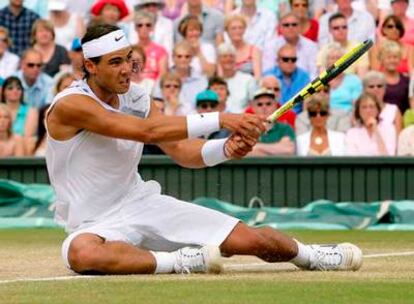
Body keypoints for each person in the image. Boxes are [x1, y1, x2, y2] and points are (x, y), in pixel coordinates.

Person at [46, 23, 362, 275]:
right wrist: (223, 118)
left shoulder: (138, 97)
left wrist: (226, 147)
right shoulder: (71, 105)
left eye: (128, 59)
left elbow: (182, 151)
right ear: (90, 66)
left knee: (251, 240)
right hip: (92, 224)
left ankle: (311, 255)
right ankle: (180, 261)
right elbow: (148, 131)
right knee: (82, 254)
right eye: (115, 62)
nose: (127, 69)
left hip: (141, 204)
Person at [247, 88, 296, 156]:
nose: (264, 107)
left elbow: (288, 150)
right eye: (259, 104)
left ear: (275, 106)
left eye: (268, 104)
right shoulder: (246, 129)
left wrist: (257, 147)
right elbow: (244, 152)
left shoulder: (285, 128)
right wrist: (277, 148)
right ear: (253, 108)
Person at [263, 43, 310, 113]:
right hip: (275, 116)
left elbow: (307, 103)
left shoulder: (304, 77)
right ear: (277, 60)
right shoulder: (268, 76)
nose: (290, 62)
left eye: (293, 59)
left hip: (297, 118)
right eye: (285, 59)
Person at [1, 76, 38, 154]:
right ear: (3, 91)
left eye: (18, 88)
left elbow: (28, 136)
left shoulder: (31, 111)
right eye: (10, 88)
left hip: (22, 147)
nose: (15, 91)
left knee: (29, 141)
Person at [216, 42, 257, 113]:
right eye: (224, 56)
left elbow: (255, 104)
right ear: (219, 60)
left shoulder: (248, 79)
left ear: (236, 59)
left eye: (231, 56)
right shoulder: (215, 83)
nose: (228, 59)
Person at [362, 70, 403, 135]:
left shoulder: (394, 110)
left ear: (385, 88)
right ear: (364, 89)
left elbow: (400, 137)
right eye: (371, 86)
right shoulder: (360, 110)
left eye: (379, 86)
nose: (376, 89)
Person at [224, 14, 261, 80]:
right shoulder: (223, 51)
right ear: (227, 31)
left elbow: (257, 76)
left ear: (244, 30)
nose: (237, 31)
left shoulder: (254, 50)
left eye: (240, 28)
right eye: (233, 28)